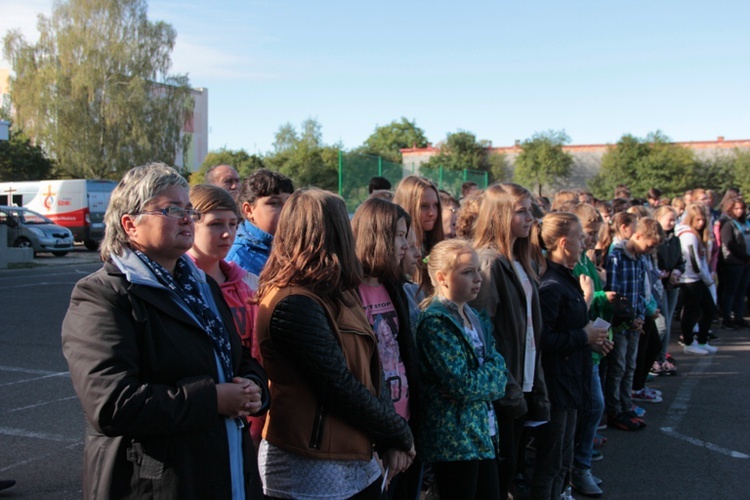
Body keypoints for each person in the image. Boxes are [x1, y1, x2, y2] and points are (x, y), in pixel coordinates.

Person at [61, 163, 269, 499]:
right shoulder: (103, 295)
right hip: (155, 482)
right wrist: (212, 399)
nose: (187, 218)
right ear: (130, 224)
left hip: (225, 468)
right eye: (172, 210)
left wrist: (254, 386)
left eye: (188, 209)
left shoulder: (201, 286)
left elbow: (236, 357)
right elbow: (112, 403)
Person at [254, 189, 415, 499]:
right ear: (337, 232)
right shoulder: (292, 302)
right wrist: (398, 432)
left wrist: (389, 438)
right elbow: (338, 386)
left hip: (354, 453)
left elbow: (371, 372)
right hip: (311, 462)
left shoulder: (337, 292)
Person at [470, 183, 550, 500]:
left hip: (524, 378)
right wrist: (506, 388)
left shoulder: (520, 259)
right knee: (499, 476)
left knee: (512, 471)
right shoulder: (489, 262)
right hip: (504, 389)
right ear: (501, 215)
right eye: (522, 211)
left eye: (530, 209)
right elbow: (482, 335)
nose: (530, 217)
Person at [416, 239, 507, 499]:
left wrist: (491, 373)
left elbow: (500, 366)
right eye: (467, 272)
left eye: (477, 270)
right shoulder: (435, 321)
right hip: (454, 441)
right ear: (442, 277)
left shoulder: (473, 315)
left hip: (482, 431)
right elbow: (462, 385)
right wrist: (492, 373)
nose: (478, 278)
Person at [530, 212, 608, 500]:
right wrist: (582, 337)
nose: (584, 241)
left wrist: (593, 341)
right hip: (556, 387)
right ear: (564, 242)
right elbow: (543, 340)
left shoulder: (567, 278)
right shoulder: (551, 285)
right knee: (549, 463)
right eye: (579, 237)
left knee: (563, 461)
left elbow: (573, 326)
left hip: (571, 382)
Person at [352, 197, 423, 499]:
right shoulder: (347, 292)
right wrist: (388, 439)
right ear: (377, 235)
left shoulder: (395, 286)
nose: (406, 246)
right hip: (374, 435)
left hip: (407, 425)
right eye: (399, 236)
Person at [188, 183, 266, 447]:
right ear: (190, 224)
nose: (227, 234)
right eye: (215, 224)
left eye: (233, 224)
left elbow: (255, 349)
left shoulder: (246, 281)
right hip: (201, 411)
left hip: (250, 406)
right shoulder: (180, 284)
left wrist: (255, 388)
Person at [569, 203, 614, 497]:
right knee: (592, 404)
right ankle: (577, 467)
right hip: (577, 344)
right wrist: (595, 294)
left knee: (593, 405)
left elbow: (591, 301)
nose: (590, 240)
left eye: (594, 234)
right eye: (585, 233)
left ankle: (579, 465)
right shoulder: (569, 263)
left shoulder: (587, 260)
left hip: (592, 341)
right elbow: (573, 304)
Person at [605, 217, 662, 431]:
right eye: (649, 245)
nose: (650, 250)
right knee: (617, 367)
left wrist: (639, 317)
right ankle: (614, 409)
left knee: (630, 365)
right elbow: (614, 293)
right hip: (620, 324)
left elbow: (640, 292)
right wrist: (629, 319)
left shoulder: (640, 258)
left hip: (635, 322)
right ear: (637, 236)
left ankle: (626, 404)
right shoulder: (617, 257)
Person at [226, 169, 294, 276]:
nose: (286, 209)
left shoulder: (292, 245)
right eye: (274, 203)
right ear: (248, 210)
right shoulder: (240, 258)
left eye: (289, 202)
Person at [676, 204, 719, 354]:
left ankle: (701, 340)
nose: (701, 223)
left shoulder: (696, 234)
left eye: (703, 220)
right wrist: (707, 279)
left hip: (697, 278)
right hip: (690, 279)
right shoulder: (688, 235)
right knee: (691, 311)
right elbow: (694, 261)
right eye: (697, 219)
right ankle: (688, 342)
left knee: (709, 309)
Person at [394, 175, 444, 292]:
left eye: (435, 205)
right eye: (424, 206)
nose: (432, 213)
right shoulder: (397, 249)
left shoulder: (434, 243)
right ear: (408, 206)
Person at [653, 205, 684, 375]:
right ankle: (655, 359)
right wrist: (665, 274)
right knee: (661, 325)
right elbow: (654, 263)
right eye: (669, 219)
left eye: (674, 219)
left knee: (668, 323)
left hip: (672, 285)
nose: (672, 222)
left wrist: (677, 271)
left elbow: (680, 260)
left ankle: (662, 358)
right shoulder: (657, 241)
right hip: (660, 285)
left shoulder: (675, 240)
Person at [717, 196, 750, 329]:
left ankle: (738, 316)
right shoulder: (728, 224)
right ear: (731, 209)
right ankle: (726, 317)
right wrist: (743, 256)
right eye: (736, 208)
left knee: (742, 291)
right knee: (730, 291)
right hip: (733, 262)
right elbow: (729, 244)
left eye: (742, 208)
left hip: (746, 262)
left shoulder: (746, 223)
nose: (740, 211)